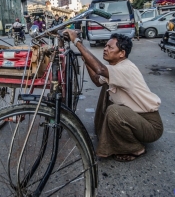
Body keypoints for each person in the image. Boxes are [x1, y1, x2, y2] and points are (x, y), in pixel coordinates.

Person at [63, 30, 163, 162]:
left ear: (122, 53)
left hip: (150, 126)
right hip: (136, 118)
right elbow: (97, 80)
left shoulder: (126, 68)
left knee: (114, 111)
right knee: (106, 87)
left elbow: (100, 69)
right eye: (105, 46)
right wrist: (86, 60)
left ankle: (135, 148)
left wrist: (77, 42)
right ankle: (106, 133)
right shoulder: (115, 68)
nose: (105, 49)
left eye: (110, 47)